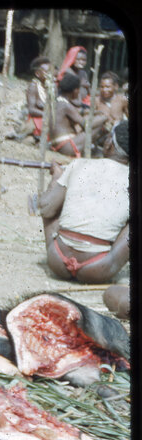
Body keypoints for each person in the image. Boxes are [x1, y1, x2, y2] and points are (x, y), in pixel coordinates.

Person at [39, 121, 129, 284]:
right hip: (99, 269)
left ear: (109, 144)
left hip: (57, 259)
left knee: (53, 200)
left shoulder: (79, 164)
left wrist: (57, 178)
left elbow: (46, 209)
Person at [50, 73, 87, 157]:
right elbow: (84, 124)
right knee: (94, 126)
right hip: (66, 146)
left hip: (57, 144)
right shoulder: (65, 105)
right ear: (75, 90)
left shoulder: (57, 102)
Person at [93, 72, 128, 146]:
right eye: (102, 87)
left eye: (107, 87)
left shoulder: (122, 100)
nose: (104, 89)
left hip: (117, 136)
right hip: (100, 136)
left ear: (116, 87)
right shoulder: (96, 101)